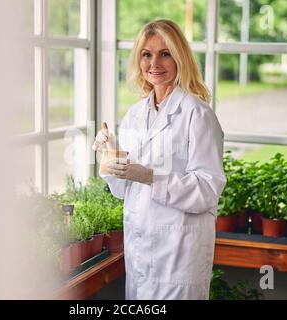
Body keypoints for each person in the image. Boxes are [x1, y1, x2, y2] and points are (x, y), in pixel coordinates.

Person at [92, 19, 226, 300]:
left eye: (165, 53)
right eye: (146, 54)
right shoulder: (135, 114)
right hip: (140, 250)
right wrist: (112, 157)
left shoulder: (197, 115)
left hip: (178, 253)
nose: (155, 63)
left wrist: (149, 175)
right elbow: (121, 191)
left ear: (180, 58)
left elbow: (207, 190)